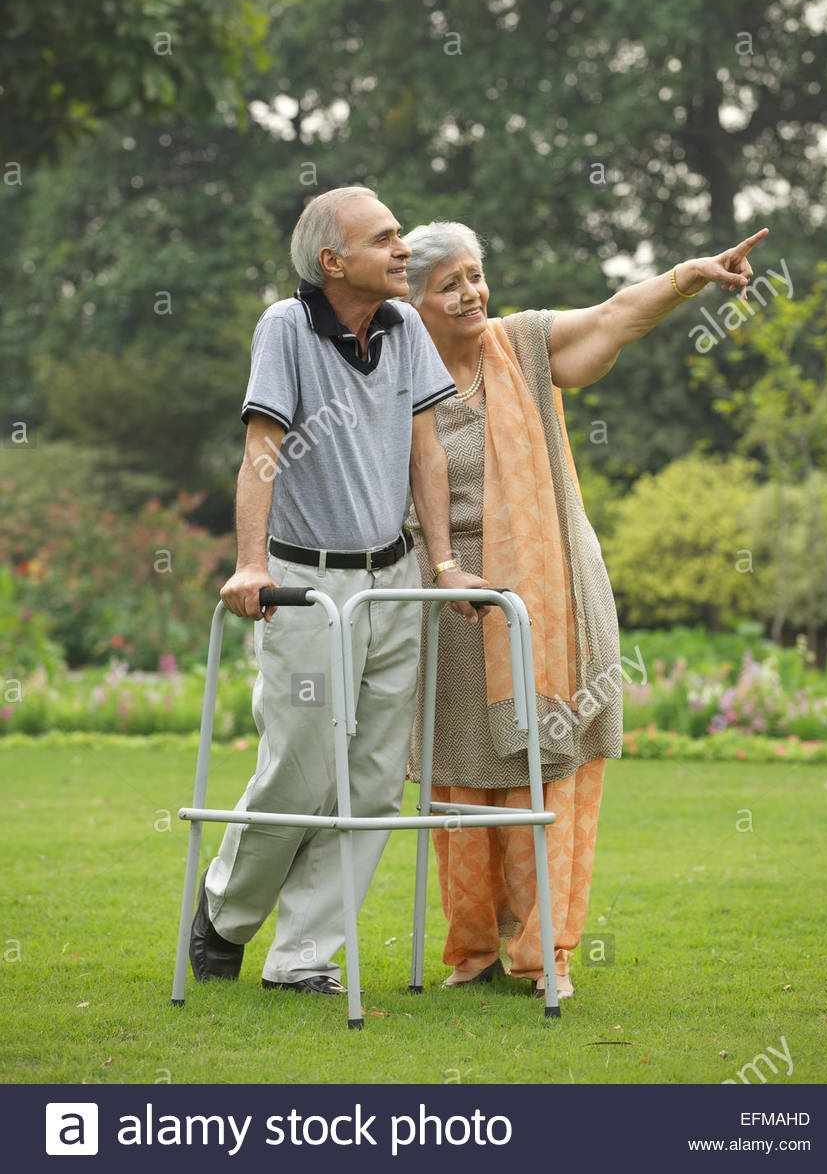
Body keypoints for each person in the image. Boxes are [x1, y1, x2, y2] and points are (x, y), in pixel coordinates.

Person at [403, 220, 767, 999]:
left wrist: (687, 277)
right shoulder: (392, 378)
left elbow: (609, 317)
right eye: (450, 285)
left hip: (552, 592)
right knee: (462, 775)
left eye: (476, 274)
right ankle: (474, 953)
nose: (472, 293)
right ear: (413, 304)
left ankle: (547, 955)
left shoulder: (523, 346)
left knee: (548, 765)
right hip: (452, 598)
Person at [190, 186, 489, 994]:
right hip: (304, 582)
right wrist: (251, 563)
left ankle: (303, 961)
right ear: (333, 261)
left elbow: (426, 452)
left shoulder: (403, 329)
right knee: (300, 769)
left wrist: (446, 564)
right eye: (386, 238)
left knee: (372, 782)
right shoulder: (285, 328)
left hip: (390, 580)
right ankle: (225, 913)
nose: (404, 249)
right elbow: (263, 447)